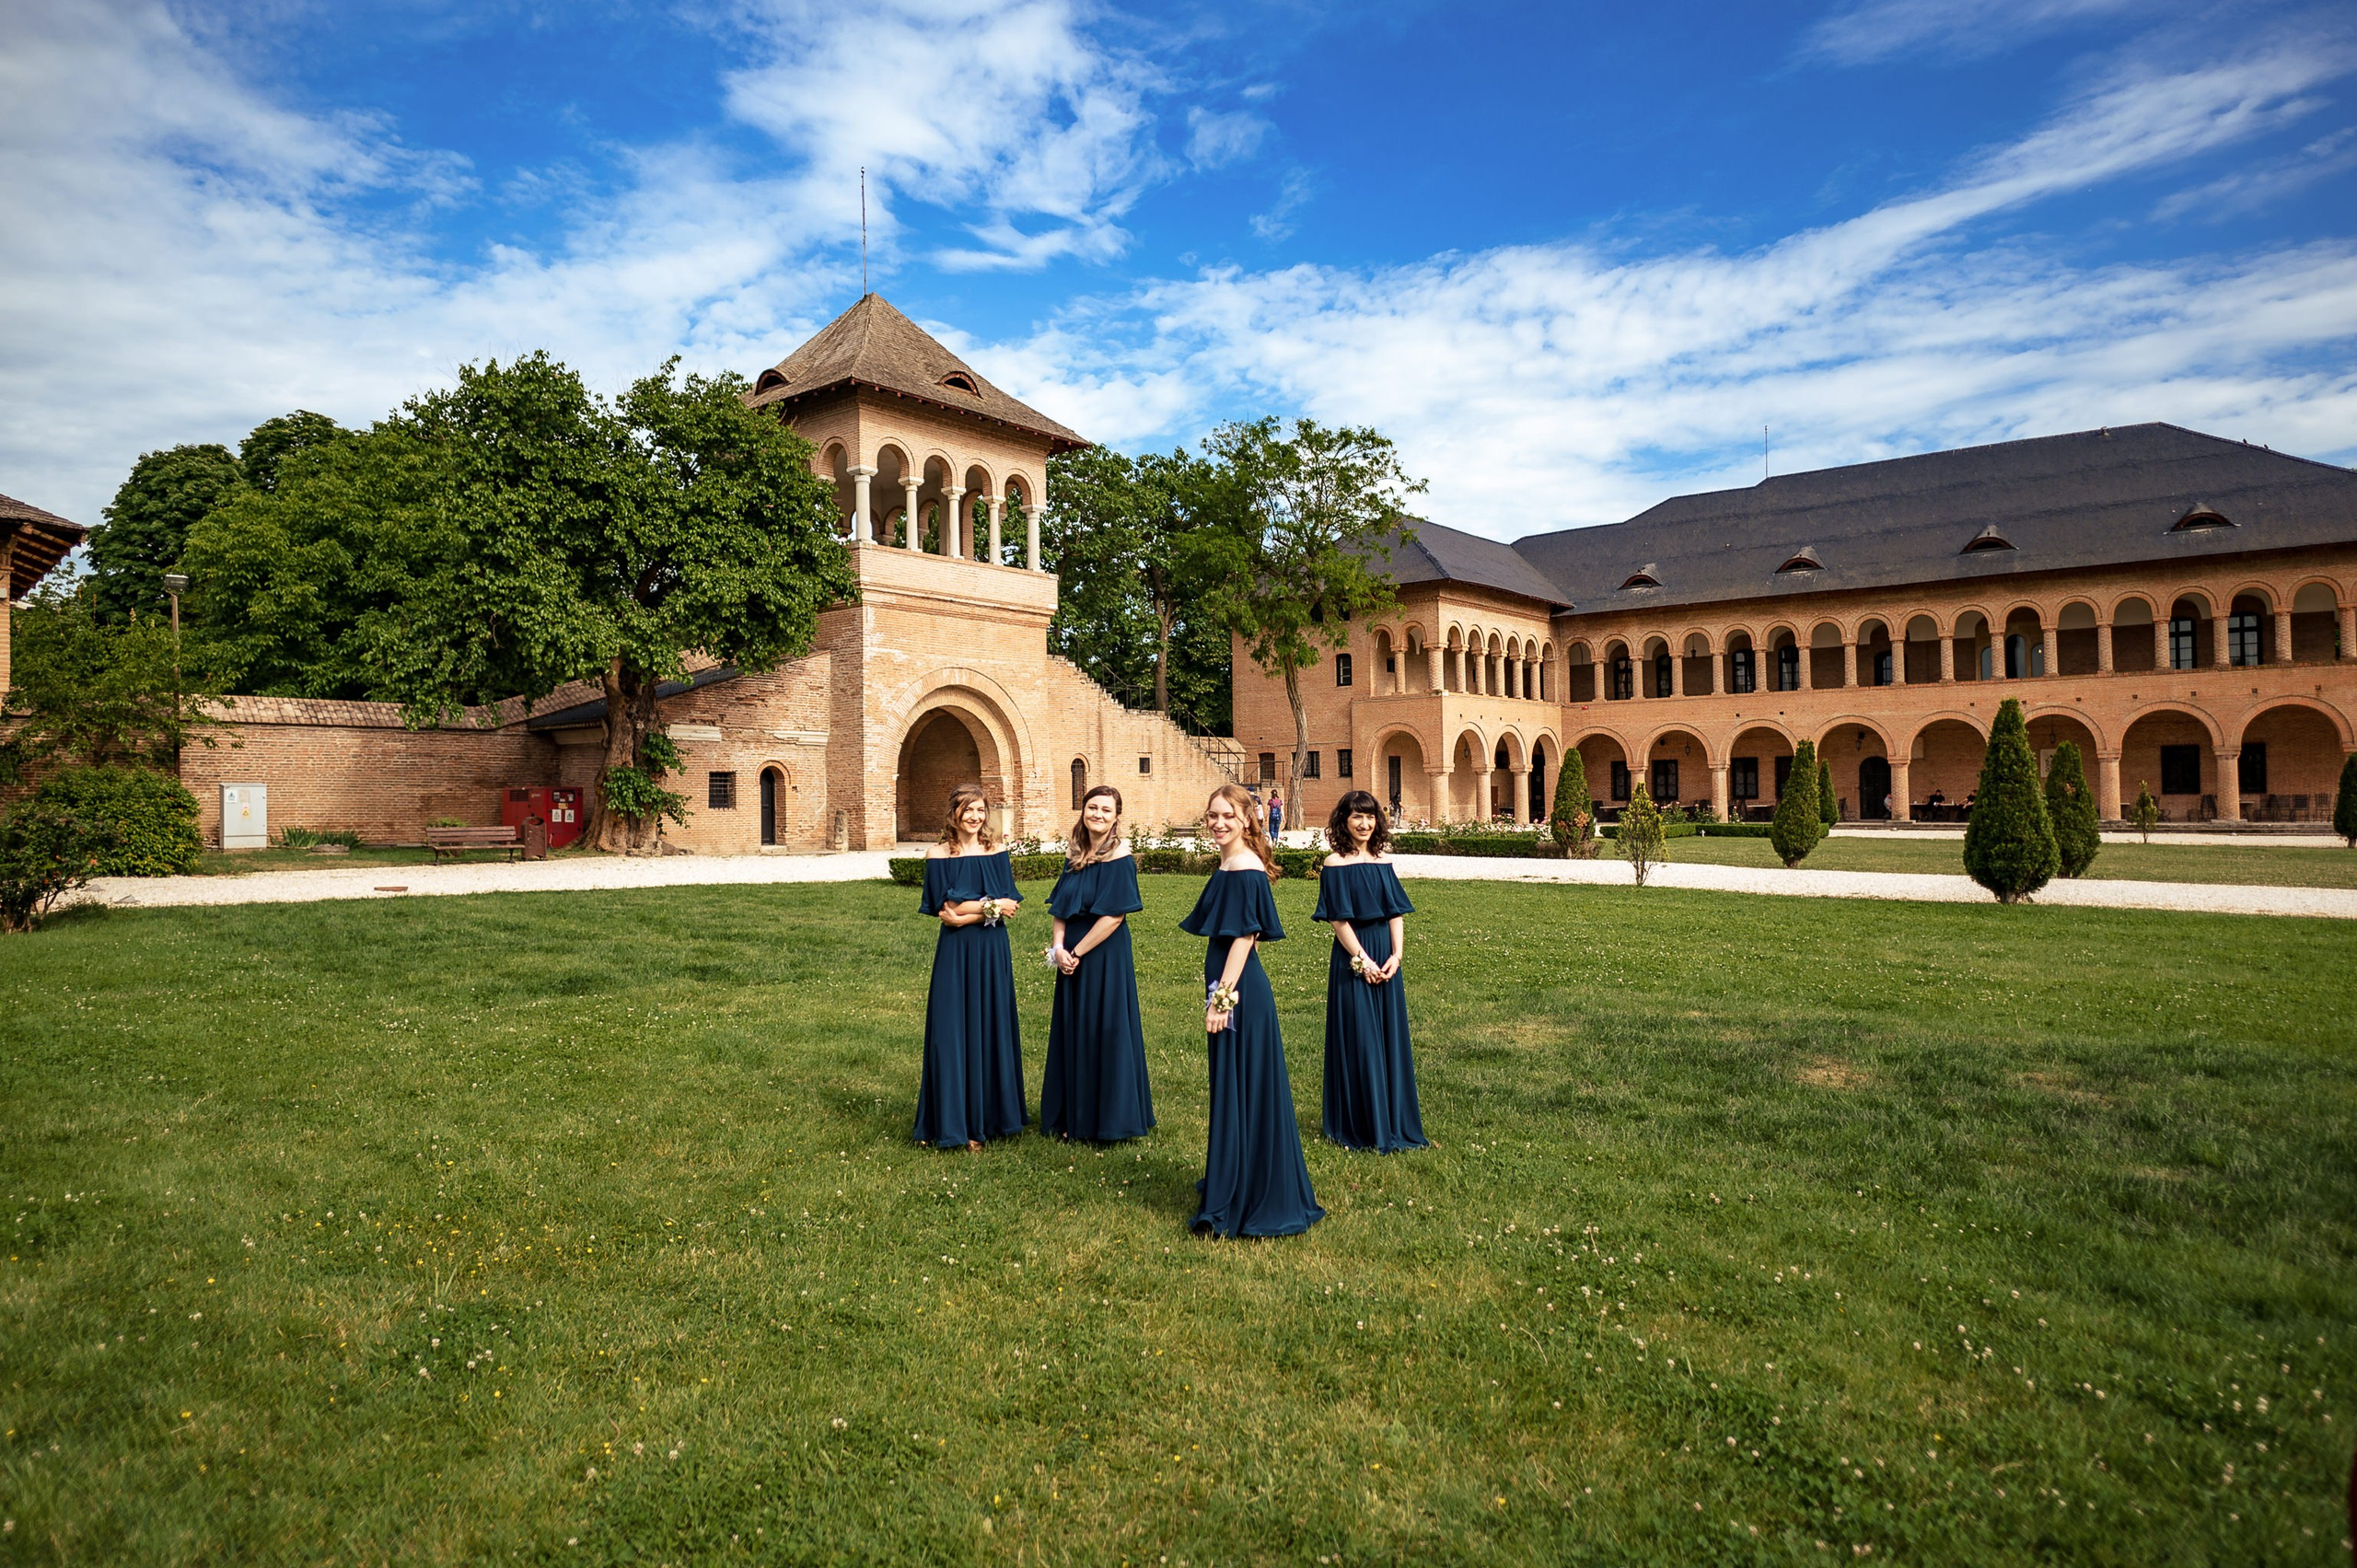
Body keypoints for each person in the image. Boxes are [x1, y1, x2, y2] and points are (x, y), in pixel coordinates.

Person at [1180, 782, 1323, 1237]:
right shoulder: (1230, 863)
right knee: (1235, 1086)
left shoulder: (1244, 867)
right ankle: (1237, 1178)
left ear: (1247, 819)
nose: (1219, 823)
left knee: (1243, 1086)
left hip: (1238, 991)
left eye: (1228, 816)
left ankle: (1248, 1190)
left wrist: (1222, 998)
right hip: (1232, 985)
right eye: (1212, 816)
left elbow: (1245, 937)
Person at [912, 784, 1026, 1151]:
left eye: (980, 810)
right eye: (968, 810)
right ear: (954, 814)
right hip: (956, 954)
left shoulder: (998, 851)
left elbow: (1011, 905)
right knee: (953, 1031)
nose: (975, 817)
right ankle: (955, 1123)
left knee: (990, 1026)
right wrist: (986, 908)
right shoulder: (938, 854)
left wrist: (968, 914)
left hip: (992, 951)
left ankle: (992, 1119)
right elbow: (948, 909)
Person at [1039, 784, 1154, 1143]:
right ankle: (1071, 1115)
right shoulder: (1074, 855)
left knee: (1104, 1029)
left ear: (1117, 817)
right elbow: (1060, 908)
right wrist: (1058, 949)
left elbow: (1114, 916)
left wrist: (1077, 952)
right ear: (1083, 811)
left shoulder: (1119, 857)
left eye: (1106, 810)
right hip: (1070, 956)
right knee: (1074, 1030)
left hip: (1103, 955)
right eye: (1092, 807)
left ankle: (1106, 1120)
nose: (1098, 815)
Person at [1314, 790, 1426, 1153]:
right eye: (1357, 817)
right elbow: (1339, 919)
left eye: (1370, 817)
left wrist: (1397, 955)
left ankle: (1393, 1120)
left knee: (1389, 1039)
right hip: (1354, 956)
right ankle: (1361, 1125)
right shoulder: (1334, 863)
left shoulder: (1382, 859)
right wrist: (1363, 961)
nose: (1365, 824)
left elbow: (1395, 911)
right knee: (1360, 1039)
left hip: (1386, 957)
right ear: (1343, 821)